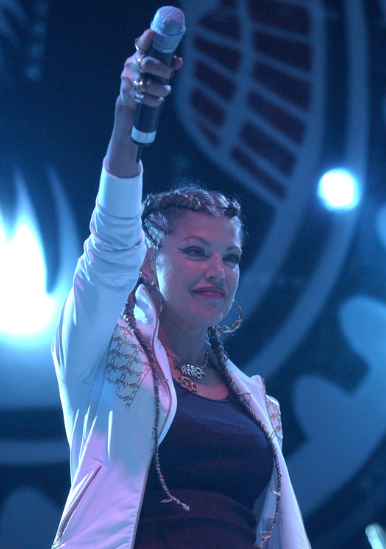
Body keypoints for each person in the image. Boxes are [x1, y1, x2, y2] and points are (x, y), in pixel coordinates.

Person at [51, 28, 310, 548]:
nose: (218, 269)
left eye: (230, 257)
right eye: (195, 251)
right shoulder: (102, 355)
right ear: (148, 263)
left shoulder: (257, 401)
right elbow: (108, 249)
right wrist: (129, 118)